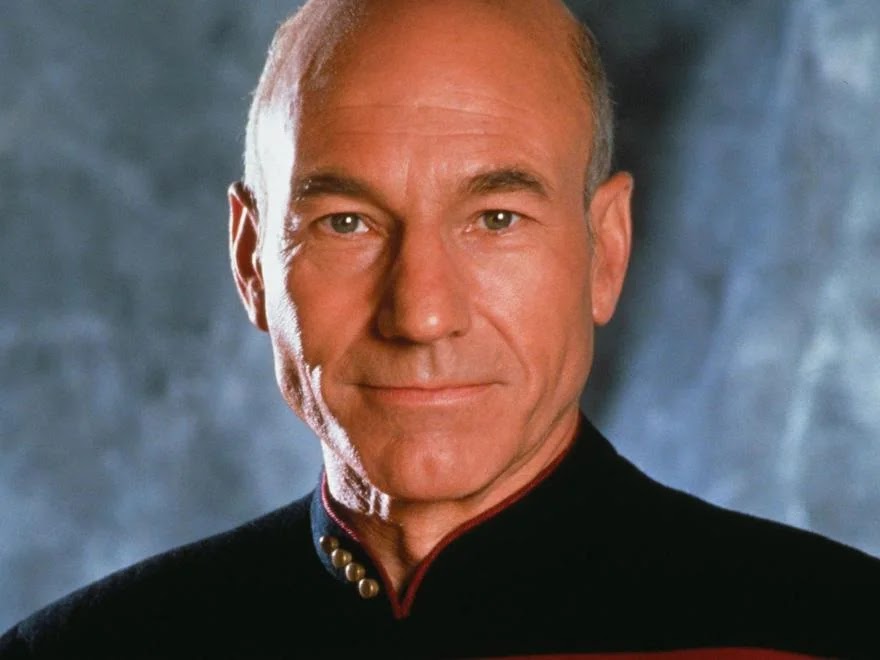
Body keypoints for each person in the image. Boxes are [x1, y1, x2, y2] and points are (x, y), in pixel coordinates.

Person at [2, 0, 878, 657]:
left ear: (605, 253)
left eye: (496, 219)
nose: (421, 315)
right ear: (251, 262)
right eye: (347, 223)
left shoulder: (832, 632)